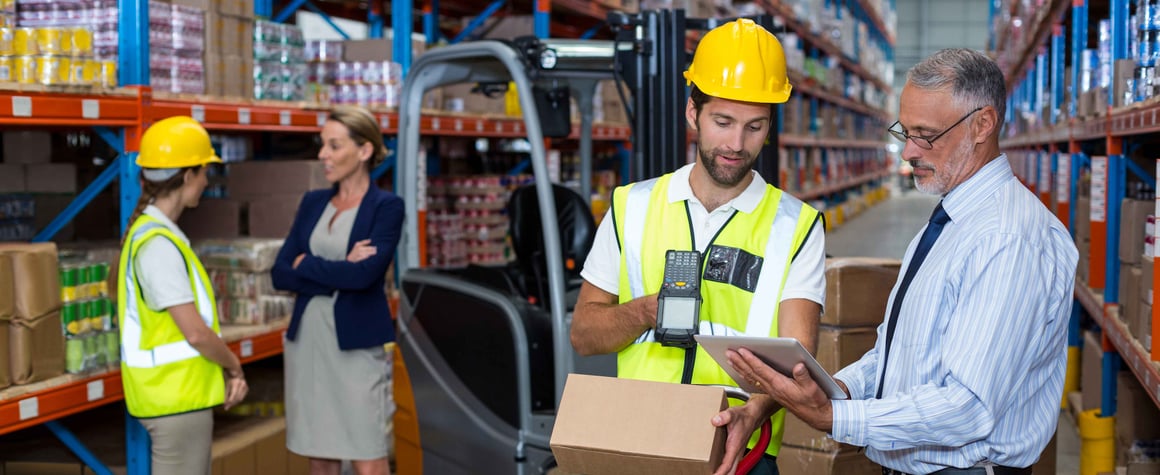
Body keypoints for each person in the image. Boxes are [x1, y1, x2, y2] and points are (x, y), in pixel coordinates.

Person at [726, 48, 1079, 475]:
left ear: (983, 124)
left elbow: (968, 407)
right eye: (905, 132)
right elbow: (900, 353)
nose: (908, 152)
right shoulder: (952, 220)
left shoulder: (1008, 239)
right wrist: (839, 389)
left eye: (925, 135)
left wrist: (836, 418)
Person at [571, 19, 826, 475]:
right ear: (693, 113)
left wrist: (754, 410)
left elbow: (798, 361)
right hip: (638, 439)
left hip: (738, 449)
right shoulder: (631, 206)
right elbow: (585, 336)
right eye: (722, 122)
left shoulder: (798, 226)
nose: (735, 144)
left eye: (754, 127)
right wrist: (647, 312)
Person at [271, 106, 404, 475]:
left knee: (368, 451)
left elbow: (365, 276)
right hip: (308, 342)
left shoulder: (387, 207)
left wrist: (308, 265)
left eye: (333, 145)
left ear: (363, 151)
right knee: (320, 451)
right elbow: (280, 273)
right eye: (322, 145)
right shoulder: (313, 203)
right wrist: (343, 265)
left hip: (356, 346)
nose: (322, 155)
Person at [118, 116, 249, 475]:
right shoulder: (158, 245)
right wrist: (233, 365)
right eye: (204, 171)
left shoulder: (156, 235)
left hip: (174, 397)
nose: (207, 180)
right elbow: (195, 333)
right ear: (188, 176)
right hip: (176, 401)